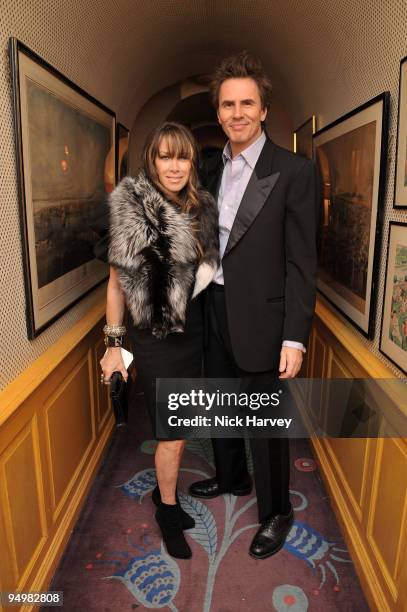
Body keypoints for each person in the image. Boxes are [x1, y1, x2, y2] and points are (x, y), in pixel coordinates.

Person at [189, 52, 318, 559]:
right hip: (213, 309)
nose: (236, 113)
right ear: (218, 112)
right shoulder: (208, 168)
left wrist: (294, 336)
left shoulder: (293, 172)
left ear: (264, 110)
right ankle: (230, 479)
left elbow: (301, 264)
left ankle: (276, 512)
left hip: (265, 320)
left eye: (247, 103)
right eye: (227, 104)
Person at [99, 122, 219, 559]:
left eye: (182, 156)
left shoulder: (202, 208)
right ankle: (168, 511)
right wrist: (114, 343)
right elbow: (115, 284)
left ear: (192, 162)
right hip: (154, 336)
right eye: (165, 156)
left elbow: (208, 275)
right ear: (152, 161)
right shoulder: (132, 209)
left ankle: (164, 497)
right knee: (171, 432)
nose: (174, 166)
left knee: (182, 427)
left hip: (194, 333)